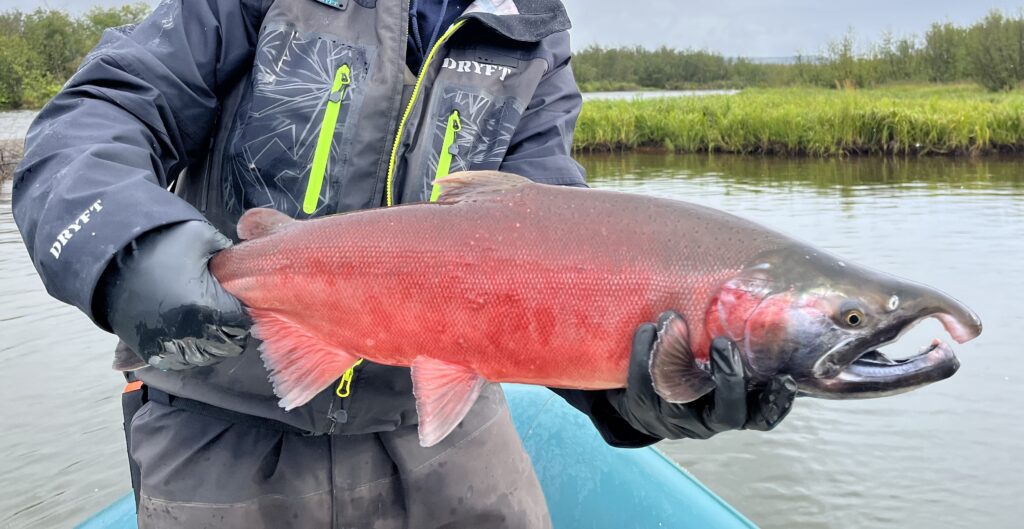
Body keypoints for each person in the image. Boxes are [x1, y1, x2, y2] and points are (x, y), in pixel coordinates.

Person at [12, 0, 797, 527]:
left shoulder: (532, 34)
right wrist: (128, 250)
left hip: (444, 430)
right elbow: (94, 118)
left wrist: (644, 396)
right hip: (220, 426)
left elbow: (557, 270)